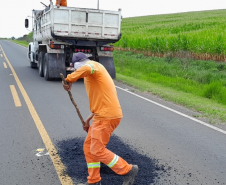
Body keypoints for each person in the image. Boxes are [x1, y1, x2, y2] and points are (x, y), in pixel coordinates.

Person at [62, 52, 138, 185]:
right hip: (102, 115)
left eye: (77, 69)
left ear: (79, 65)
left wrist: (69, 79)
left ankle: (128, 170)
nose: (78, 72)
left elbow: (87, 68)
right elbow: (100, 101)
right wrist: (88, 120)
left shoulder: (92, 65)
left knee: (97, 150)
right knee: (88, 147)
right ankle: (94, 181)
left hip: (106, 116)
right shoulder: (93, 74)